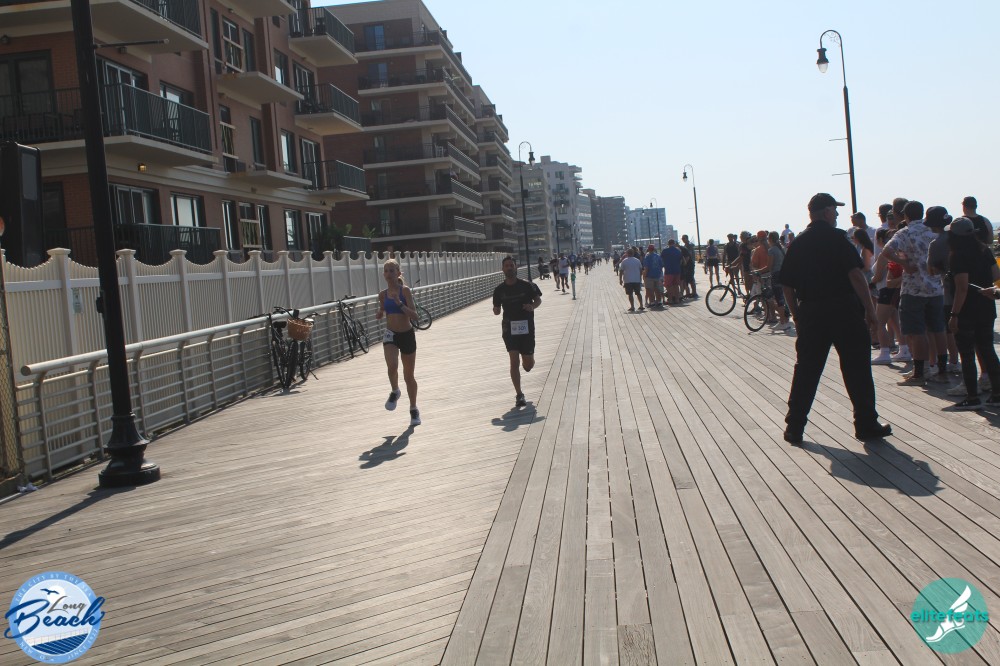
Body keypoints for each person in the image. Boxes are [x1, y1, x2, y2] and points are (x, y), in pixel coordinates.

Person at [779, 193, 890, 444]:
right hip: (843, 311)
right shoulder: (838, 239)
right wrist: (870, 311)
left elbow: (787, 285)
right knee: (856, 369)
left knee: (806, 370)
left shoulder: (798, 243)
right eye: (835, 209)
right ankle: (865, 424)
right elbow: (856, 276)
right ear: (826, 211)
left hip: (811, 312)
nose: (838, 214)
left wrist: (797, 315)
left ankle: (794, 427)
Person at [881, 200, 949, 386]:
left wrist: (904, 263)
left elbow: (887, 251)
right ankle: (942, 370)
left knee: (916, 331)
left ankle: (921, 372)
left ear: (905, 215)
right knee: (938, 329)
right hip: (936, 287)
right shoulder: (934, 231)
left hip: (913, 289)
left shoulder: (905, 232)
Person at [946, 217, 1000, 409]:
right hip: (986, 306)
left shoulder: (958, 256)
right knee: (987, 350)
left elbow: (962, 288)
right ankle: (997, 394)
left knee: (967, 354)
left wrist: (954, 315)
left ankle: (972, 397)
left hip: (967, 310)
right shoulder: (984, 250)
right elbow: (996, 275)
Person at [375, 259, 421, 426]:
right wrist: (380, 313)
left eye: (392, 270)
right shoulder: (382, 295)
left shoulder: (404, 291)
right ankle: (395, 391)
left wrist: (399, 304)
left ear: (398, 273)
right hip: (391, 334)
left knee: (409, 376)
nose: (389, 273)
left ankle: (413, 408)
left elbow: (415, 316)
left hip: (407, 334)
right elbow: (382, 310)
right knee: (392, 366)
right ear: (383, 274)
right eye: (386, 271)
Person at [492, 256, 542, 408]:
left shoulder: (527, 285)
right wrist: (496, 310)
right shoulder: (499, 290)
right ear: (502, 269)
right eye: (506, 266)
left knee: (528, 365)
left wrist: (532, 306)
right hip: (509, 329)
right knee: (514, 361)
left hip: (526, 328)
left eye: (511, 265)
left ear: (516, 267)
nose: (509, 268)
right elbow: (496, 309)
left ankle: (529, 362)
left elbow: (538, 300)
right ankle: (519, 394)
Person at [661, 239, 683, 304]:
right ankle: (677, 299)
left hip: (668, 271)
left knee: (668, 286)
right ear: (674, 243)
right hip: (677, 270)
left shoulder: (665, 251)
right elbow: (681, 261)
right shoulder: (678, 251)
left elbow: (661, 260)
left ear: (668, 243)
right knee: (676, 285)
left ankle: (670, 300)